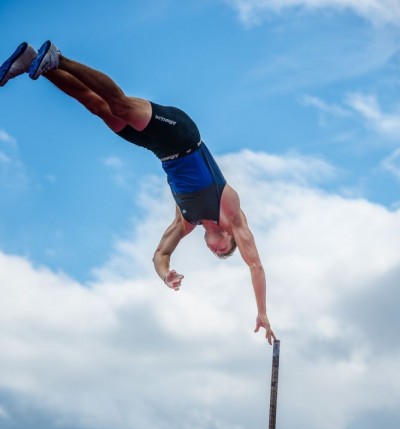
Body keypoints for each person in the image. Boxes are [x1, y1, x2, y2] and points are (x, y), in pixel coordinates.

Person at [0, 41, 276, 343]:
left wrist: (165, 274)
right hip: (182, 135)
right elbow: (255, 265)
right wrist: (262, 312)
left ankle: (32, 62)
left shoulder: (186, 221)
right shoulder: (230, 211)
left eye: (217, 254)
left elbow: (160, 254)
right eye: (224, 250)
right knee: (119, 105)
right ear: (229, 236)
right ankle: (59, 58)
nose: (216, 251)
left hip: (159, 149)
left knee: (99, 109)